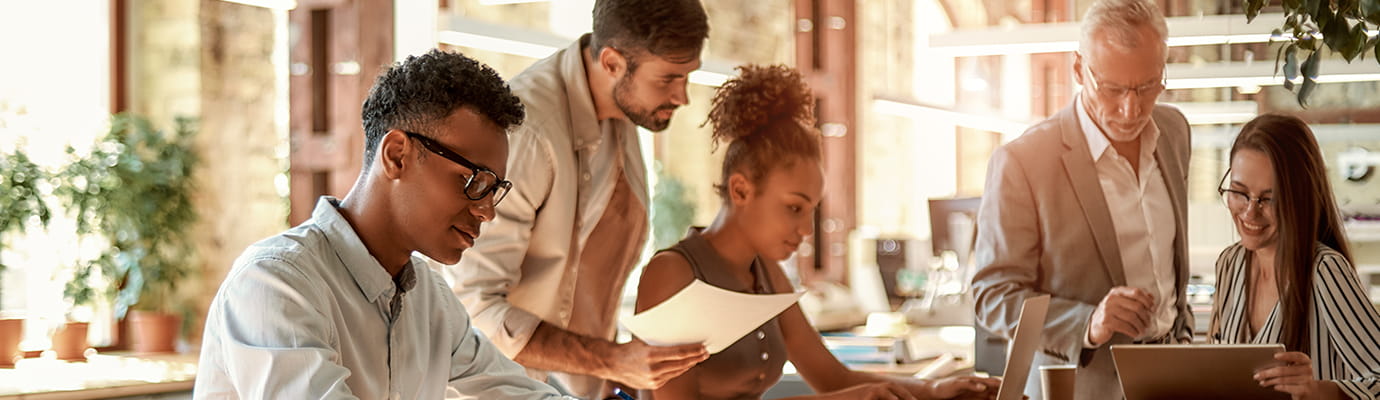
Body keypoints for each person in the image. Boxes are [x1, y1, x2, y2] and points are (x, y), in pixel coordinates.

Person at [194, 49, 570, 399]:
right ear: (396, 155)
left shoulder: (430, 300)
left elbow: (521, 393)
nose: (487, 211)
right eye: (473, 182)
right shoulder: (275, 284)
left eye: (494, 190)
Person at [636, 64, 1001, 400]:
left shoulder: (767, 274)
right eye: (794, 208)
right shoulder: (673, 274)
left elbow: (833, 379)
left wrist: (934, 390)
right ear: (741, 190)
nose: (805, 229)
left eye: (811, 211)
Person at [445, 0, 710, 398]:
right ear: (612, 63)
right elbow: (475, 309)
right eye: (668, 79)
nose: (682, 97)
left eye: (688, 76)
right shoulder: (529, 131)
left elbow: (587, 284)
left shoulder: (623, 110)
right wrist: (613, 360)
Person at [969, 0, 1193, 398]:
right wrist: (1087, 322)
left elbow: (1170, 267)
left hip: (1172, 380)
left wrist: (1185, 335)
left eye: (1147, 86)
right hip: (1079, 388)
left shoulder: (1174, 131)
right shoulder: (1023, 162)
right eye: (1111, 88)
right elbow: (993, 296)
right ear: (1078, 69)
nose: (1131, 108)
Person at [1207, 113, 1380, 400]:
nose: (1250, 212)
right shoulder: (1230, 264)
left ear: (1299, 197)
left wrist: (1320, 390)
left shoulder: (1323, 271)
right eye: (1239, 192)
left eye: (1268, 199)